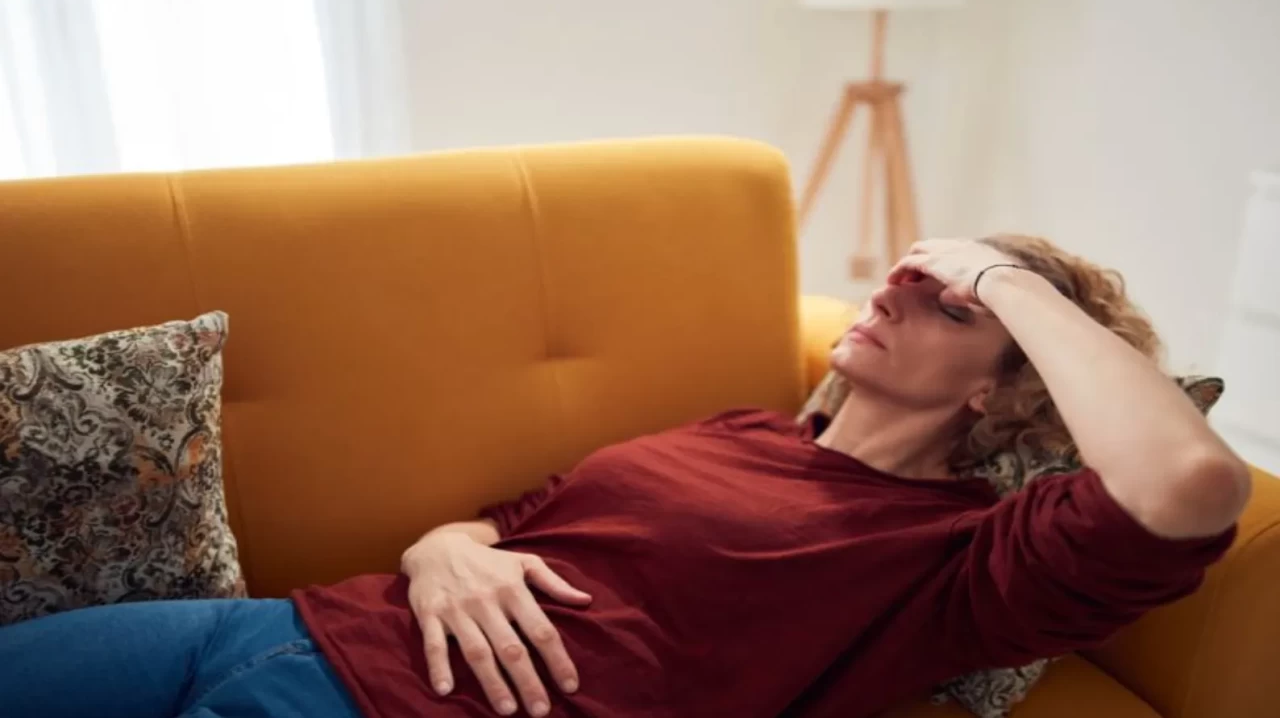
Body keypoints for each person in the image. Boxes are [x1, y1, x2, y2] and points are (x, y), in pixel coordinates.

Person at [1, 237, 1248, 718]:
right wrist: (444, 552)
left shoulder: (966, 558)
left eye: (946, 305)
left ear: (999, 388)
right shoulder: (742, 431)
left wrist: (1002, 275)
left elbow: (1189, 483)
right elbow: (502, 524)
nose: (894, 290)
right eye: (904, 275)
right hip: (270, 629)